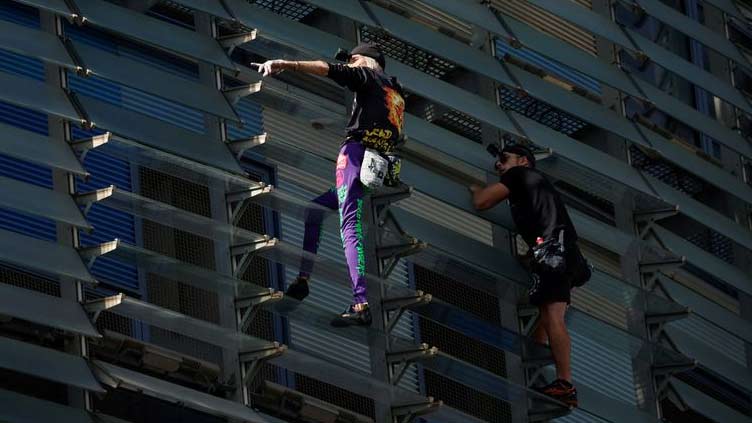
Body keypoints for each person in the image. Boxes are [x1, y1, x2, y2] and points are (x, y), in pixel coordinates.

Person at [253, 43, 405, 327]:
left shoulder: (367, 76)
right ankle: (302, 280)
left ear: (367, 61)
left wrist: (286, 64)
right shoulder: (394, 91)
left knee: (350, 227)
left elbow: (326, 69)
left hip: (356, 156)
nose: (351, 64)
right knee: (315, 210)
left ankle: (361, 303)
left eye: (355, 59)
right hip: (376, 165)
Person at [469, 144, 589, 408]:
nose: (499, 165)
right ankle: (538, 365)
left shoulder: (519, 175)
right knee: (547, 315)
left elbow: (482, 202)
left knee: (552, 316)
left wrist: (476, 190)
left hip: (554, 254)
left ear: (523, 161)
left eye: (503, 159)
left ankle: (565, 383)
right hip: (567, 255)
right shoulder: (537, 186)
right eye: (497, 163)